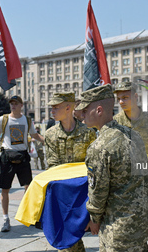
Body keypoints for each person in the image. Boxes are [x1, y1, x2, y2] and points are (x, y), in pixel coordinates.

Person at [77, 84, 148, 251]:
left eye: (85, 110)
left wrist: (94, 219)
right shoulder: (135, 136)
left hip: (117, 230)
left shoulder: (99, 147)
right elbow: (146, 177)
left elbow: (98, 192)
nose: (81, 115)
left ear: (99, 110)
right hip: (140, 225)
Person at [45, 92, 96, 252]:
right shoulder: (50, 134)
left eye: (55, 107)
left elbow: (94, 164)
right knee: (67, 239)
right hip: (64, 195)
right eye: (51, 108)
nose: (52, 111)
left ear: (68, 107)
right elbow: (53, 167)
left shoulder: (88, 132)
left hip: (86, 192)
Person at [0, 95, 44, 233]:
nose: (13, 106)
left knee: (28, 187)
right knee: (5, 189)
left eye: (16, 103)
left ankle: (29, 215)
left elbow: (35, 135)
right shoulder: (3, 119)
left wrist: (46, 141)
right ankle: (5, 218)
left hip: (23, 156)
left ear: (21, 105)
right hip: (7, 156)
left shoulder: (27, 120)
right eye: (11, 104)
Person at [113, 81, 148, 154]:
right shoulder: (115, 122)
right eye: (118, 99)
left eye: (125, 97)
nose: (121, 102)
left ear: (135, 96)